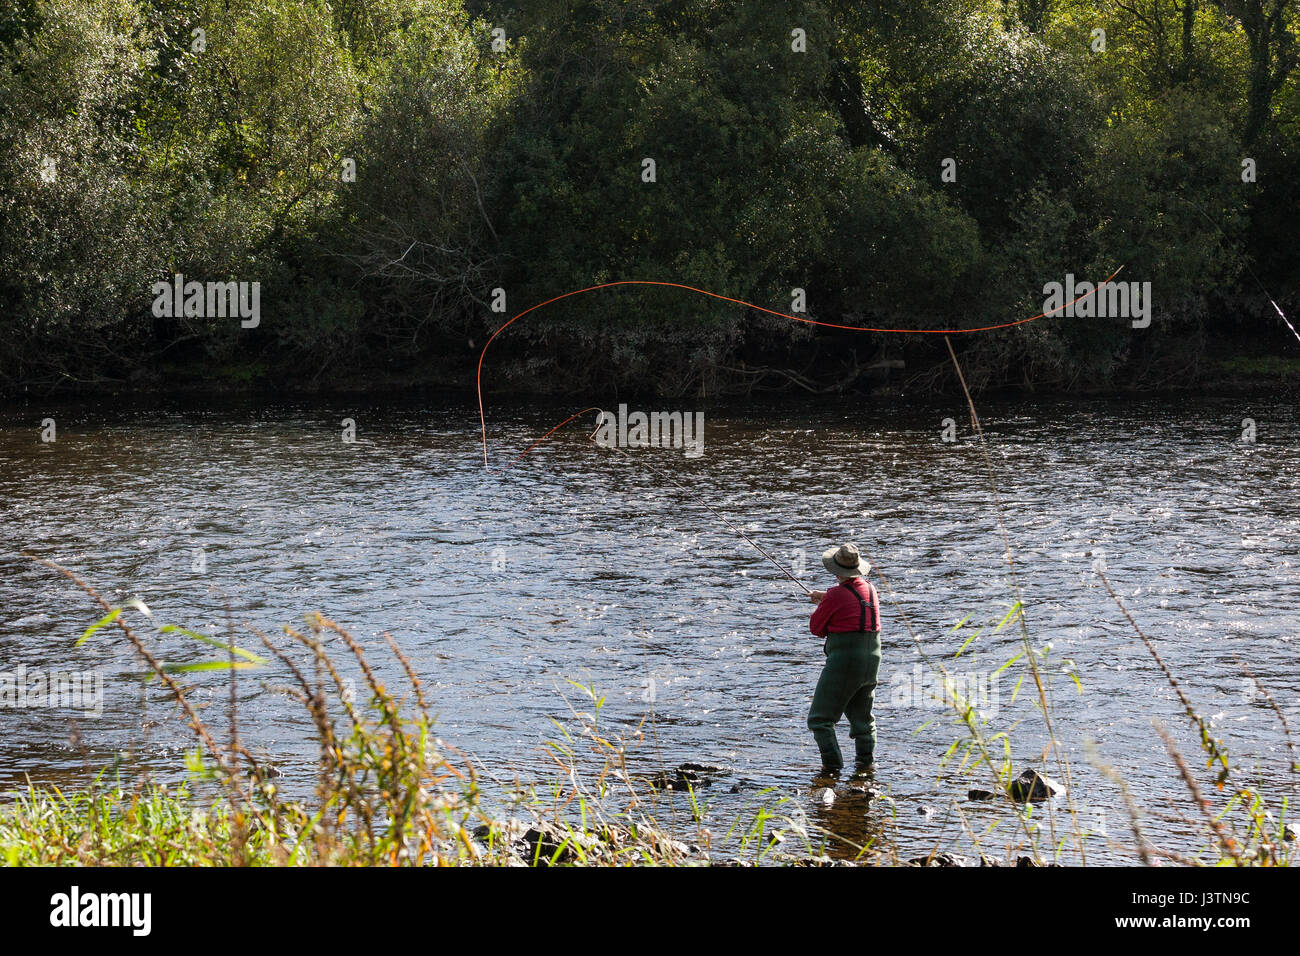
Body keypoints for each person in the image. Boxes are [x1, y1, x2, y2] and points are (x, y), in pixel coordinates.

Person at [807, 543, 882, 778]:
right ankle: (865, 768)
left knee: (820, 720)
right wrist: (826, 597)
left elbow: (816, 629)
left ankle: (831, 770)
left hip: (845, 661)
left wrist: (825, 602)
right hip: (872, 659)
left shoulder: (836, 595)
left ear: (836, 570)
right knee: (862, 720)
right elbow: (847, 600)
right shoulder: (870, 588)